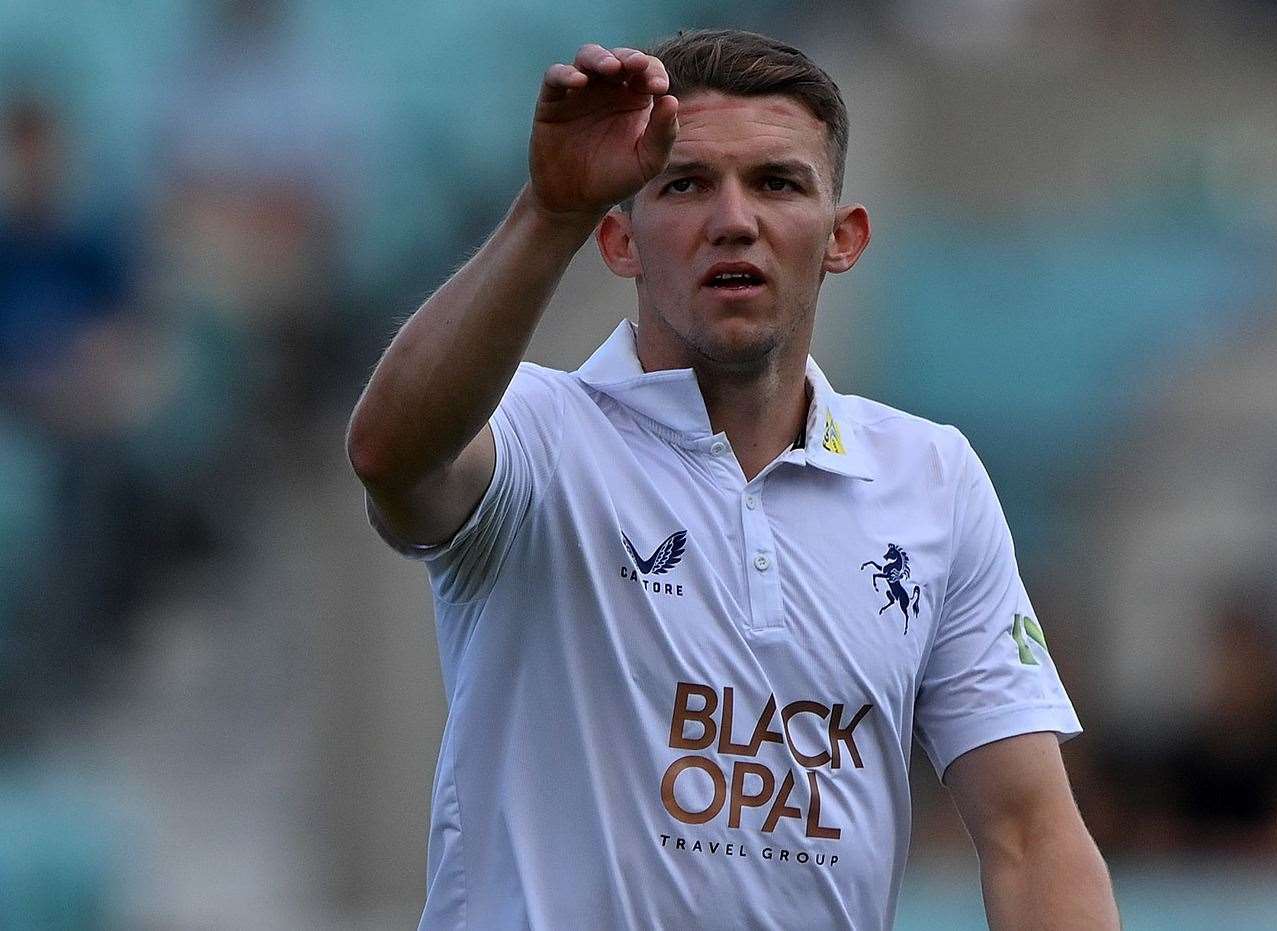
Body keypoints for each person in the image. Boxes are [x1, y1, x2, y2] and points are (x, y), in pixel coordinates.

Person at [347, 28, 1119, 930]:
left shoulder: (931, 479)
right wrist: (544, 213)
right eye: (684, 183)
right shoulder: (534, 433)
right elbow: (392, 456)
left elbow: (1030, 832)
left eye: (777, 183)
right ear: (619, 240)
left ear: (843, 238)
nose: (734, 219)